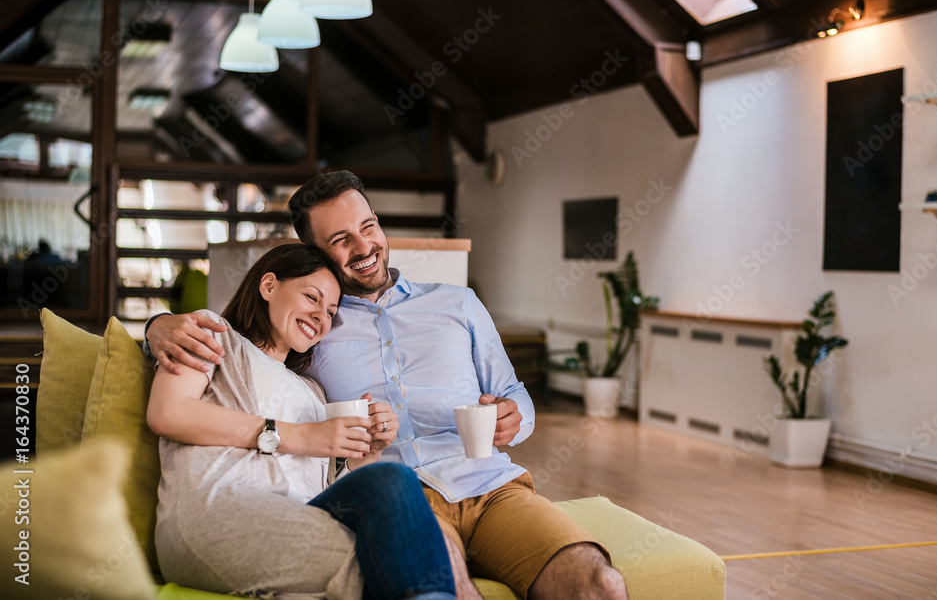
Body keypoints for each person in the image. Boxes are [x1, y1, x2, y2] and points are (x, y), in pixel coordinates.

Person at [147, 172, 627, 600]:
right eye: (341, 239)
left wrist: (515, 417)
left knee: (598, 583)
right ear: (317, 253)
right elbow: (238, 360)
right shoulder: (313, 336)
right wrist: (157, 326)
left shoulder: (457, 304)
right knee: (446, 580)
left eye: (369, 227)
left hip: (488, 484)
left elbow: (513, 392)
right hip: (403, 500)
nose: (364, 247)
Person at [146, 243, 474, 600]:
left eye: (331, 310)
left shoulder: (314, 391)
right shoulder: (215, 336)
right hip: (217, 513)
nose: (322, 316)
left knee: (392, 479)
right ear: (269, 286)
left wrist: (368, 450)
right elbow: (169, 413)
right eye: (312, 298)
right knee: (395, 559)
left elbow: (325, 487)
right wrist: (300, 436)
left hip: (297, 515)